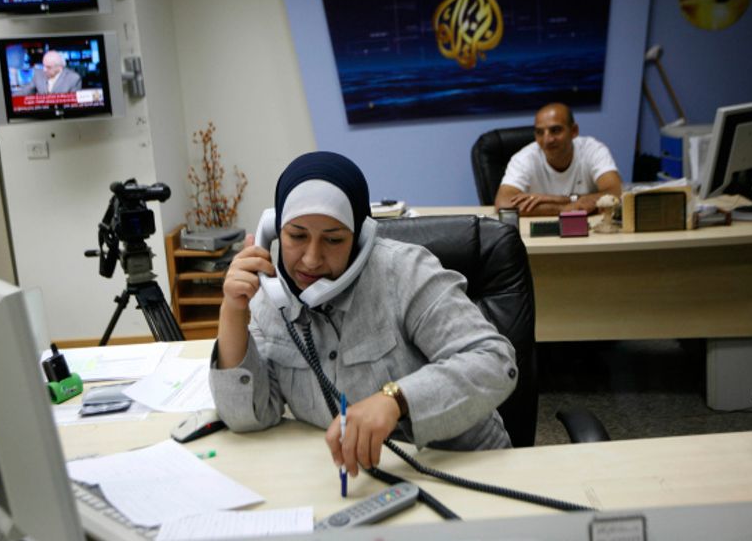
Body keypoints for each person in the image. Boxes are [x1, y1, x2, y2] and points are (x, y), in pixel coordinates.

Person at [209, 151, 517, 478]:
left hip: (457, 468)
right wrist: (232, 311)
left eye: (333, 239)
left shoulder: (406, 272)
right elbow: (248, 417)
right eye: (296, 236)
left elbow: (495, 362)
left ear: (359, 238)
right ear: (274, 231)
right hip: (354, 479)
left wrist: (396, 400)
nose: (311, 260)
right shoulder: (268, 290)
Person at [494, 102, 622, 216]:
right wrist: (567, 208)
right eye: (539, 132)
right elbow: (504, 204)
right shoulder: (523, 158)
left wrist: (558, 199)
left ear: (574, 131)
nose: (547, 140)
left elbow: (616, 192)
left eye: (555, 130)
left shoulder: (593, 150)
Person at [15, 50, 82, 96]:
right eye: (44, 65)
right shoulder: (38, 75)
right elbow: (25, 92)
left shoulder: (73, 78)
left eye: (48, 67)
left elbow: (73, 103)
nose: (44, 70)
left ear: (59, 67)